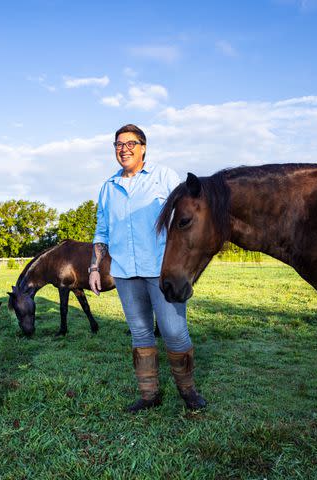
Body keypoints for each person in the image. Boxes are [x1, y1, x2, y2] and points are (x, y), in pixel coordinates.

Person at [89, 124, 207, 412]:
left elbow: (185, 216)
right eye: (118, 144)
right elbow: (102, 230)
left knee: (174, 331)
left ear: (143, 147)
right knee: (140, 332)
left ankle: (188, 390)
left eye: (131, 143)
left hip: (160, 268)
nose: (124, 149)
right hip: (125, 272)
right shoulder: (108, 187)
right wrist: (94, 267)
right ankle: (149, 394)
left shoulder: (163, 177)